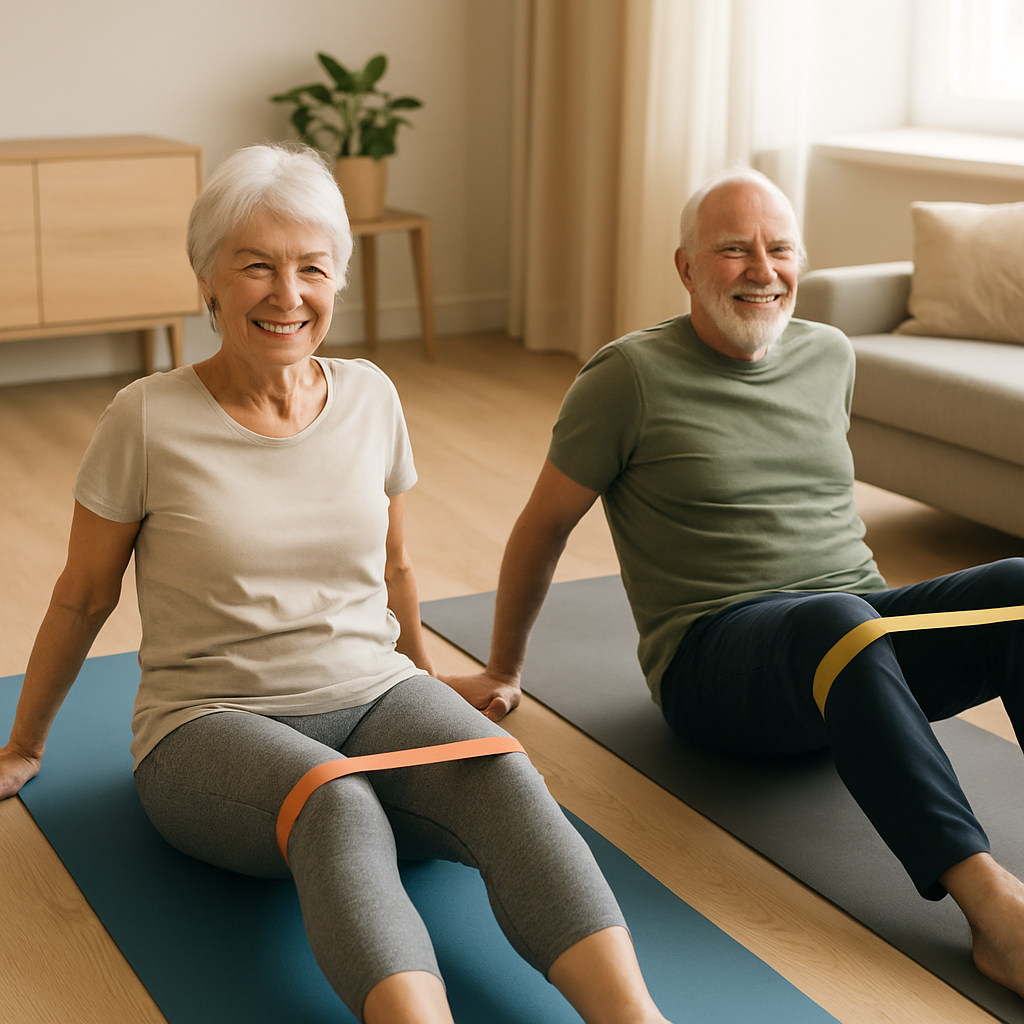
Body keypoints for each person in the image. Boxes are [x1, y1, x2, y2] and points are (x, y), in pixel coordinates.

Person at [0, 144, 673, 1024]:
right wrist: (25, 744)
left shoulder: (370, 397)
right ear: (207, 281)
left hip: (375, 692)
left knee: (505, 775)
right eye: (256, 266)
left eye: (312, 268)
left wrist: (429, 683)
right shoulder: (146, 418)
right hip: (209, 723)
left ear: (338, 281)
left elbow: (394, 565)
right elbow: (84, 595)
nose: (287, 295)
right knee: (336, 803)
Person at [443, 168, 1024, 1000]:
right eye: (732, 250)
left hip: (856, 634)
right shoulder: (626, 377)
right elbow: (544, 526)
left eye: (779, 248)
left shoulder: (829, 354)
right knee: (837, 621)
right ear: (685, 267)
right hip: (716, 660)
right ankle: (993, 911)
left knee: (1015, 586)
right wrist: (503, 668)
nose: (761, 268)